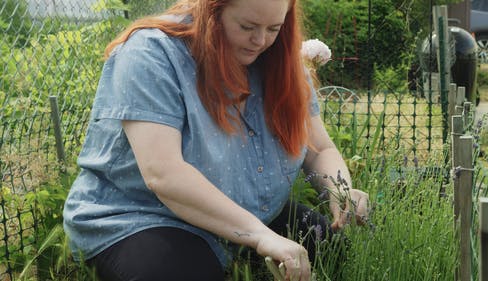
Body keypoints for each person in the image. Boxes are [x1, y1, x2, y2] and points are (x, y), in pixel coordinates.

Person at [62, 0, 369, 280]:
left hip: (247, 203)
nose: (261, 41)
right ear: (212, 11)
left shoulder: (281, 59)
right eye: (247, 27)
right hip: (145, 214)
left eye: (274, 28)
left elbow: (319, 149)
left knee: (331, 251)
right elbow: (163, 174)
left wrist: (339, 191)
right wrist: (259, 236)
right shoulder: (150, 54)